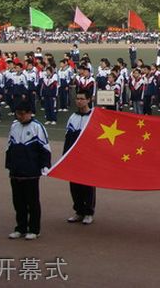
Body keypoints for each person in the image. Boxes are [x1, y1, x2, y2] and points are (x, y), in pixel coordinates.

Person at [5, 100, 51, 240]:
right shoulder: (14, 126)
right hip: (16, 171)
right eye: (17, 114)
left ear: (30, 113)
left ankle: (34, 229)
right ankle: (20, 227)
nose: (19, 116)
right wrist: (9, 165)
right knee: (18, 202)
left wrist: (45, 165)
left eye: (22, 114)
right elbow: (9, 146)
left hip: (31, 171)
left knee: (32, 202)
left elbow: (45, 148)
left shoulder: (38, 127)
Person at [63, 91, 96, 224]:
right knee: (74, 186)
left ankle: (88, 212)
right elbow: (68, 138)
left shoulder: (94, 116)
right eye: (77, 99)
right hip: (73, 157)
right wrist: (65, 156)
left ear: (89, 100)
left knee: (87, 185)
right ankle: (79, 211)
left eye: (82, 99)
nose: (79, 101)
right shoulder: (72, 117)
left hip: (88, 158)